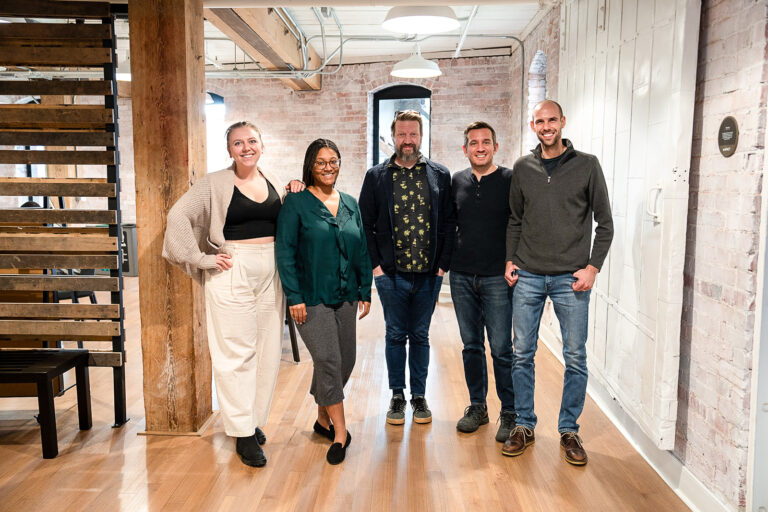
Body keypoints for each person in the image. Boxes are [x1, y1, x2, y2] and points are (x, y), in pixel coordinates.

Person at [163, 121, 301, 468]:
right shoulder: (215, 183)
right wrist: (201, 258)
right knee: (235, 353)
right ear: (229, 150)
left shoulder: (272, 181)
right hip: (232, 269)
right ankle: (241, 432)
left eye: (252, 141)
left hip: (270, 270)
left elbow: (288, 216)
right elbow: (178, 216)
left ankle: (251, 421)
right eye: (238, 143)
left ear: (262, 145)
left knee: (267, 349)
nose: (246, 148)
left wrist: (295, 189)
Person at [502, 100, 614, 465]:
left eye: (552, 120)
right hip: (528, 275)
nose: (546, 126)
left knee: (575, 356)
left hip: (571, 278)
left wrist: (592, 268)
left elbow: (605, 223)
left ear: (562, 122)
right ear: (533, 125)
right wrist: (510, 259)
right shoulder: (523, 167)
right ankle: (524, 424)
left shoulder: (587, 165)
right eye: (540, 121)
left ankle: (569, 430)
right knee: (522, 353)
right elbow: (515, 219)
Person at [276, 138, 372, 465]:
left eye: (333, 161)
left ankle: (321, 417)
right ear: (310, 166)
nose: (328, 167)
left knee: (347, 360)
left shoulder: (350, 203)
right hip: (310, 297)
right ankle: (340, 432)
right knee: (328, 359)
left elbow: (361, 249)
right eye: (321, 162)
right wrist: (294, 296)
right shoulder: (296, 203)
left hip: (346, 295)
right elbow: (285, 252)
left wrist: (365, 289)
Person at [358, 110, 454, 426]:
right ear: (393, 137)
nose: (407, 140)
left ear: (421, 136)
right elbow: (365, 225)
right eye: (402, 134)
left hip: (429, 274)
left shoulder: (439, 175)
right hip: (391, 274)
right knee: (396, 335)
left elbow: (449, 223)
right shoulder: (376, 177)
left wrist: (442, 267)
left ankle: (419, 396)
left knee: (421, 335)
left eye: (413, 134)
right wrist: (376, 269)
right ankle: (397, 396)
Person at [450, 121, 516, 442]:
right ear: (465, 149)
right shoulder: (457, 180)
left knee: (501, 348)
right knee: (471, 345)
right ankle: (478, 407)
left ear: (495, 147)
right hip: (462, 276)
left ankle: (510, 412)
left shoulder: (509, 180)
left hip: (497, 278)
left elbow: (518, 223)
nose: (480, 147)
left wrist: (514, 260)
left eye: (486, 142)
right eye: (473, 143)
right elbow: (450, 224)